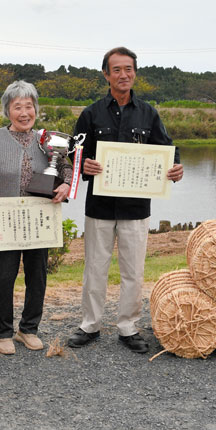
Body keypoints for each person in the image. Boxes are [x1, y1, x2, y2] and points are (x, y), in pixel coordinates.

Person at [67, 46, 184, 354]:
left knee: (133, 269)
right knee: (95, 266)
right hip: (100, 206)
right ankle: (90, 324)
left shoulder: (148, 113)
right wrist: (84, 164)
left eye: (128, 69)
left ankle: (128, 326)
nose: (123, 75)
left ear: (135, 73)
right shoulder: (91, 113)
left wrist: (175, 167)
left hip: (135, 207)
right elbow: (72, 152)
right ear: (106, 74)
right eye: (116, 69)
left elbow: (168, 149)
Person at [0, 81, 72, 355]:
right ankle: (3, 332)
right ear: (8, 110)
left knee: (37, 277)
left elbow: (66, 168)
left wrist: (65, 185)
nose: (24, 112)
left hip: (39, 222)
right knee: (3, 277)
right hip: (5, 223)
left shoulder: (48, 140)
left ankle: (28, 329)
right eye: (18, 107)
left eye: (29, 106)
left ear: (36, 109)